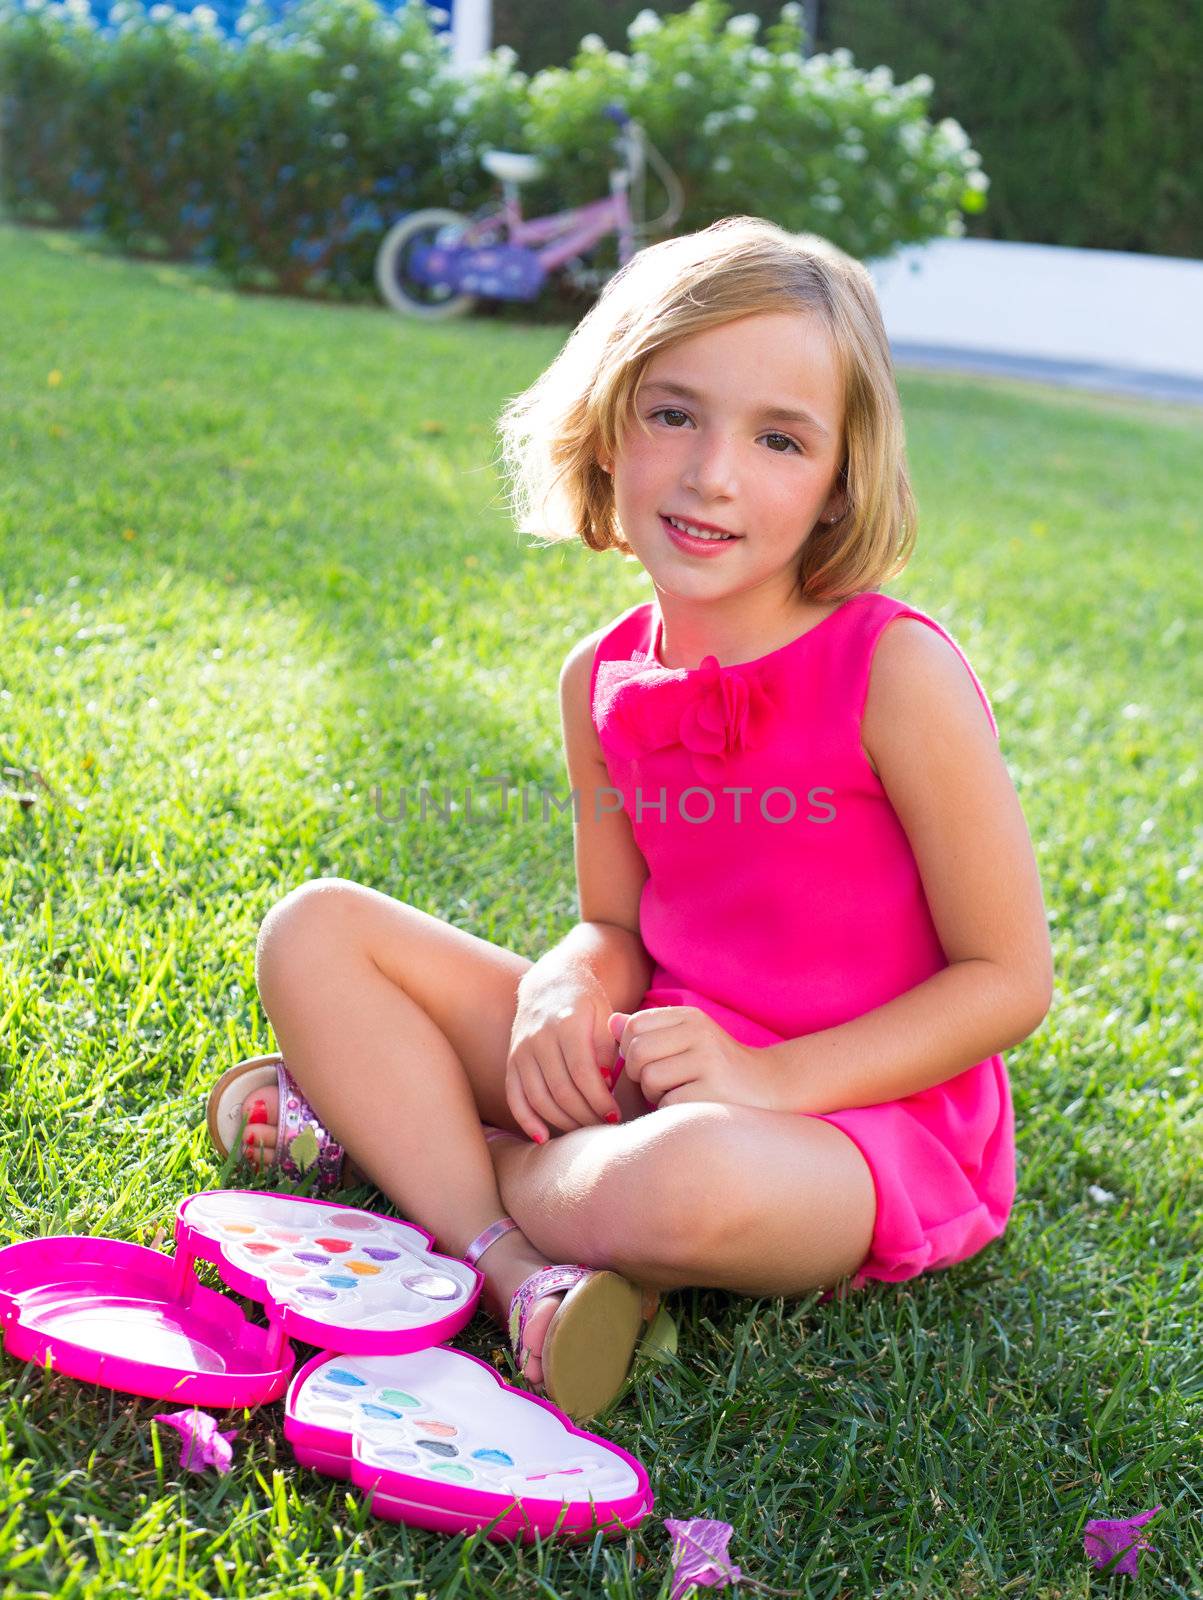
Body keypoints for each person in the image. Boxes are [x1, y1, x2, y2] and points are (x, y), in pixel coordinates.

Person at [206, 216, 1053, 1423]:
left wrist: (766, 1080)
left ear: (839, 483)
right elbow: (617, 922)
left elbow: (1008, 979)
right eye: (674, 414)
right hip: (653, 1057)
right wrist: (566, 978)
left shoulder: (894, 670)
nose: (713, 472)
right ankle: (507, 1267)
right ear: (607, 432)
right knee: (316, 931)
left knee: (689, 1181)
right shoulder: (599, 675)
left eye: (778, 438)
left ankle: (392, 1137)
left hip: (849, 1126)